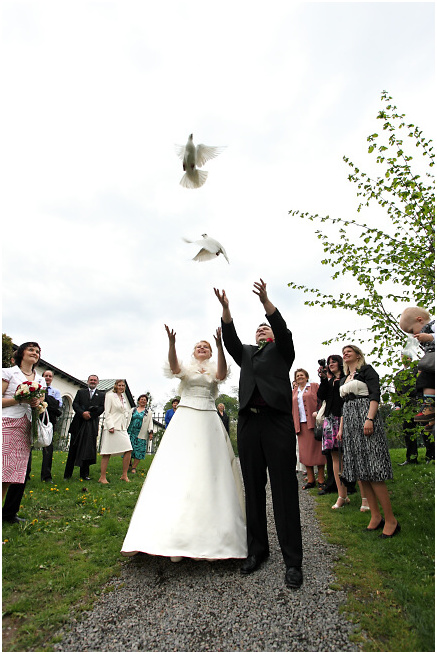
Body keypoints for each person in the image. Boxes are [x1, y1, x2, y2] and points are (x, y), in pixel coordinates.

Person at [121, 326, 246, 561]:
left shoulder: (215, 368)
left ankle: (214, 535)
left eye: (206, 347)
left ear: (210, 352)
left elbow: (221, 375)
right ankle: (171, 534)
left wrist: (219, 345)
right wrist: (171, 344)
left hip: (208, 418)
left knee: (210, 468)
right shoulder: (186, 369)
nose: (202, 348)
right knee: (179, 466)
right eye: (199, 346)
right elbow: (174, 368)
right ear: (193, 351)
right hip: (186, 417)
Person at [215, 279, 303, 590]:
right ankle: (257, 550)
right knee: (253, 489)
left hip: (277, 423)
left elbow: (282, 329)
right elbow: (230, 340)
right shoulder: (247, 354)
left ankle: (293, 561)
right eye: (258, 330)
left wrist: (266, 302)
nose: (261, 331)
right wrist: (226, 309)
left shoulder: (283, 351)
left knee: (283, 489)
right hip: (249, 424)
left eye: (265, 329)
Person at [339, 345, 400, 538]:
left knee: (374, 469)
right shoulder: (344, 378)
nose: (345, 353)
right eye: (343, 351)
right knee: (361, 471)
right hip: (350, 424)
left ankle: (391, 519)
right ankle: (375, 516)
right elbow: (343, 406)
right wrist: (342, 429)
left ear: (358, 355)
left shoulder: (367, 370)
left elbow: (375, 395)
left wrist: (370, 419)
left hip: (365, 417)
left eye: (349, 350)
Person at [2, 342, 46, 501]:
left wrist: (37, 404)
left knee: (10, 474)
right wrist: (20, 399)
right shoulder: (8, 372)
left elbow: (41, 402)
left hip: (26, 428)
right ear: (21, 353)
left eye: (37, 351)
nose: (35, 353)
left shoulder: (40, 379)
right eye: (31, 350)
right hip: (7, 424)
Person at [317, 355, 350, 507]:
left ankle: (351, 488)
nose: (330, 364)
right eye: (329, 363)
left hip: (343, 418)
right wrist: (324, 379)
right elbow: (321, 396)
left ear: (340, 363)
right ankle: (341, 494)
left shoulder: (346, 378)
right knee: (334, 456)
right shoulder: (329, 381)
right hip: (330, 419)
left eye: (334, 362)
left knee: (348, 455)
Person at [63, 375, 105, 481]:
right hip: (78, 424)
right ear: (88, 381)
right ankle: (67, 475)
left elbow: (102, 408)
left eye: (95, 380)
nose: (93, 381)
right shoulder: (81, 392)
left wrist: (91, 415)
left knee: (87, 450)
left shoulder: (101, 395)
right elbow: (75, 404)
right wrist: (82, 413)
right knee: (73, 450)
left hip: (91, 424)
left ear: (98, 382)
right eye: (91, 380)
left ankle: (84, 474)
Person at [399, 307, 435, 428]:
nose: (413, 334)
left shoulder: (433, 326)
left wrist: (430, 337)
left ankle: (430, 406)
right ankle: (431, 415)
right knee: (423, 379)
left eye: (412, 330)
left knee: (426, 373)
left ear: (420, 320)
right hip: (432, 361)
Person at [292, 368, 325, 490]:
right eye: (297, 376)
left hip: (313, 423)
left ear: (306, 377)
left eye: (302, 375)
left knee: (318, 452)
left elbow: (322, 400)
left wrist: (319, 413)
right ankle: (311, 480)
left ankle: (321, 479)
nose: (299, 377)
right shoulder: (294, 391)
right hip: (301, 425)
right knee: (305, 454)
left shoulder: (314, 386)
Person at [99, 380, 133, 484]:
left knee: (128, 449)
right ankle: (102, 477)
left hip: (122, 428)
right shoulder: (110, 396)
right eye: (119, 385)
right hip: (112, 427)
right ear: (116, 386)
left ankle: (124, 475)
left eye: (123, 385)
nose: (121, 387)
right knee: (107, 452)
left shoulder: (124, 399)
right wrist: (110, 426)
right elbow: (107, 412)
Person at [40, 370, 63, 482]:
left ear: (52, 378)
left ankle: (46, 476)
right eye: (46, 376)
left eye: (50, 376)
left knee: (48, 448)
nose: (48, 378)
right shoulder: (37, 388)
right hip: (37, 418)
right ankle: (26, 474)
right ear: (42, 377)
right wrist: (52, 404)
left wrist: (44, 399)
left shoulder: (56, 391)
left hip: (49, 421)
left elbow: (58, 404)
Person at [127, 394, 153, 473]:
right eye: (141, 399)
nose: (143, 401)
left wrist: (150, 432)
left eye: (145, 400)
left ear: (146, 402)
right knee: (128, 449)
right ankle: (129, 464)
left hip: (141, 433)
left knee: (139, 450)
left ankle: (134, 467)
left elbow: (150, 422)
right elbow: (128, 420)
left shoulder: (148, 412)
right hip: (131, 432)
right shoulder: (133, 410)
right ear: (138, 401)